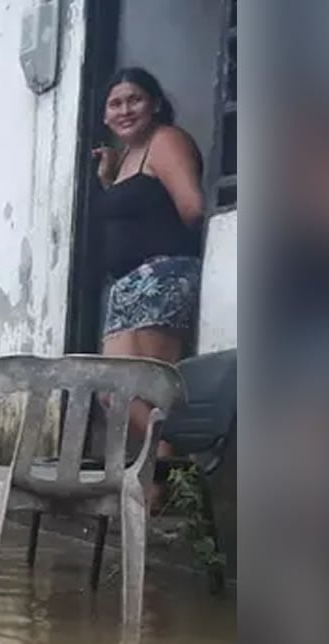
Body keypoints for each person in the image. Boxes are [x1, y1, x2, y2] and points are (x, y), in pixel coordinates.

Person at [92, 67, 206, 501]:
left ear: (155, 103)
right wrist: (108, 180)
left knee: (143, 389)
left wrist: (163, 260)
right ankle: (168, 469)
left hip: (158, 277)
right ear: (105, 115)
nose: (125, 109)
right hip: (127, 287)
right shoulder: (125, 160)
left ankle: (172, 469)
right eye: (115, 103)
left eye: (134, 99)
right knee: (110, 391)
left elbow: (191, 207)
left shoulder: (166, 141)